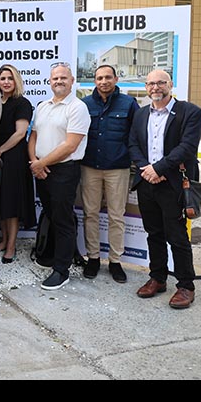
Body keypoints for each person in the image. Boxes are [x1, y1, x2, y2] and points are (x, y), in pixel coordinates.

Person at [129, 69, 201, 309]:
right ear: (146, 87)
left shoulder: (190, 112)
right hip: (147, 182)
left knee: (177, 235)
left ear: (170, 84)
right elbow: (133, 145)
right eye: (150, 83)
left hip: (172, 184)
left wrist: (158, 169)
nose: (155, 87)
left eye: (160, 83)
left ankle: (185, 285)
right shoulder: (140, 114)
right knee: (154, 233)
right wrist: (145, 169)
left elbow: (187, 147)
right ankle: (158, 278)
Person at [28, 62, 90, 291]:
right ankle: (59, 254)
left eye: (63, 78)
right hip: (42, 170)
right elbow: (33, 136)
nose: (59, 81)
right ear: (49, 81)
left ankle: (61, 270)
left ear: (72, 81)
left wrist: (41, 163)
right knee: (52, 215)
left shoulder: (77, 107)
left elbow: (71, 145)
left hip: (64, 170)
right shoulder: (43, 106)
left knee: (63, 220)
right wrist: (35, 162)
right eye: (55, 78)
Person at [80, 64, 139, 282]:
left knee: (116, 215)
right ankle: (93, 258)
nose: (103, 81)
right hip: (90, 167)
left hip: (118, 168)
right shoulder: (84, 104)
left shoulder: (129, 104)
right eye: (99, 78)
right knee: (90, 214)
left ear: (116, 79)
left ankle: (115, 261)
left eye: (107, 77)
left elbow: (136, 134)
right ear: (94, 81)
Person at [0, 64, 36, 263]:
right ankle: (3, 240)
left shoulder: (22, 103)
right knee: (2, 202)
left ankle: (11, 246)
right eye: (2, 78)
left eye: (9, 78)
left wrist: (0, 150)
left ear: (16, 80)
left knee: (12, 204)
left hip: (13, 157)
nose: (6, 82)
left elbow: (20, 133)